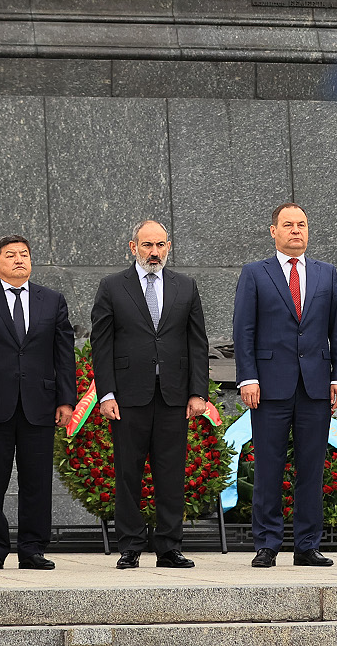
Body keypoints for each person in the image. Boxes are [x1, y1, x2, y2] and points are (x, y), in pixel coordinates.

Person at [0, 235, 78, 570]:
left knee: (37, 480)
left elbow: (64, 355)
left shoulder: (52, 300)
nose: (19, 259)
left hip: (40, 404)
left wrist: (67, 400)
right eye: (10, 255)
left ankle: (32, 549)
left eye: (24, 254)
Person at [233, 203, 337, 568]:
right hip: (269, 387)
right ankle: (267, 544)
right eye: (288, 225)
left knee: (311, 469)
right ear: (274, 231)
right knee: (269, 468)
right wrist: (248, 377)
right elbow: (244, 329)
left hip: (315, 386)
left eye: (301, 224)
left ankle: (307, 545)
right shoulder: (255, 273)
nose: (296, 230)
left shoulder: (326, 273)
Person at [90, 220, 210, 569]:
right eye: (147, 245)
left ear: (168, 246)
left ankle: (169, 547)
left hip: (174, 396)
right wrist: (106, 394)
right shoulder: (112, 286)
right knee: (128, 473)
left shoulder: (185, 286)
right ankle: (130, 546)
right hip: (128, 397)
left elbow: (197, 343)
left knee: (171, 474)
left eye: (160, 245)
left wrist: (198, 393)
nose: (154, 252)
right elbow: (102, 344)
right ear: (133, 247)